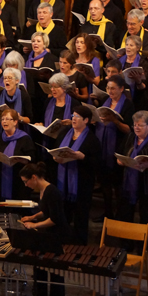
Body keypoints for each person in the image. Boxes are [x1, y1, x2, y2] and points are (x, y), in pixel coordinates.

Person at [19, 163, 71, 296]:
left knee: (55, 271)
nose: (26, 185)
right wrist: (33, 217)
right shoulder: (43, 190)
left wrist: (34, 225)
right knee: (39, 264)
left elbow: (54, 219)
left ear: (34, 177)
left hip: (58, 236)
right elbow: (45, 211)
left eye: (26, 181)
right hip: (49, 234)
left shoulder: (51, 191)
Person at [52, 105, 101, 245]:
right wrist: (56, 158)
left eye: (77, 117)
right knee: (63, 215)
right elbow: (56, 150)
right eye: (73, 116)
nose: (73, 119)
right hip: (63, 181)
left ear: (86, 120)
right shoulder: (64, 133)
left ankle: (79, 247)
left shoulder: (92, 139)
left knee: (80, 217)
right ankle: (62, 243)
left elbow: (97, 163)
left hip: (81, 184)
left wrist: (82, 157)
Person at [117, 111, 148, 237]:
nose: (136, 128)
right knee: (125, 216)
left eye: (140, 125)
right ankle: (126, 243)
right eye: (135, 125)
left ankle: (143, 245)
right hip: (128, 183)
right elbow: (120, 154)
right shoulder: (129, 137)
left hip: (147, 186)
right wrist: (121, 161)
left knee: (146, 218)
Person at [95, 74, 134, 219]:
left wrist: (115, 121)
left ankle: (120, 215)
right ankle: (108, 212)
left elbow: (129, 130)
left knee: (118, 185)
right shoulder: (105, 102)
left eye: (113, 88)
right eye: (108, 88)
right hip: (103, 148)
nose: (110, 91)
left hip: (118, 147)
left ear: (121, 89)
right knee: (105, 184)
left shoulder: (128, 105)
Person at [0, 109, 34, 201]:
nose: (4, 121)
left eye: (7, 119)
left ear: (15, 122)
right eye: (2, 119)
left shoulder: (24, 139)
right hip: (1, 180)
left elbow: (33, 159)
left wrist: (23, 160)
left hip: (18, 182)